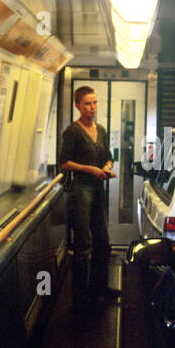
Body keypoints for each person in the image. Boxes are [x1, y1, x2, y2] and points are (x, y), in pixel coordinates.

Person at [58, 86, 118, 311]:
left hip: (98, 188)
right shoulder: (72, 131)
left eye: (94, 103)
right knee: (83, 242)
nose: (92, 107)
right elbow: (65, 162)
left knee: (102, 240)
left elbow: (109, 157)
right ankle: (80, 297)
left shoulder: (100, 130)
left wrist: (106, 167)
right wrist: (90, 169)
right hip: (81, 190)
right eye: (87, 104)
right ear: (77, 106)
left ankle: (99, 287)